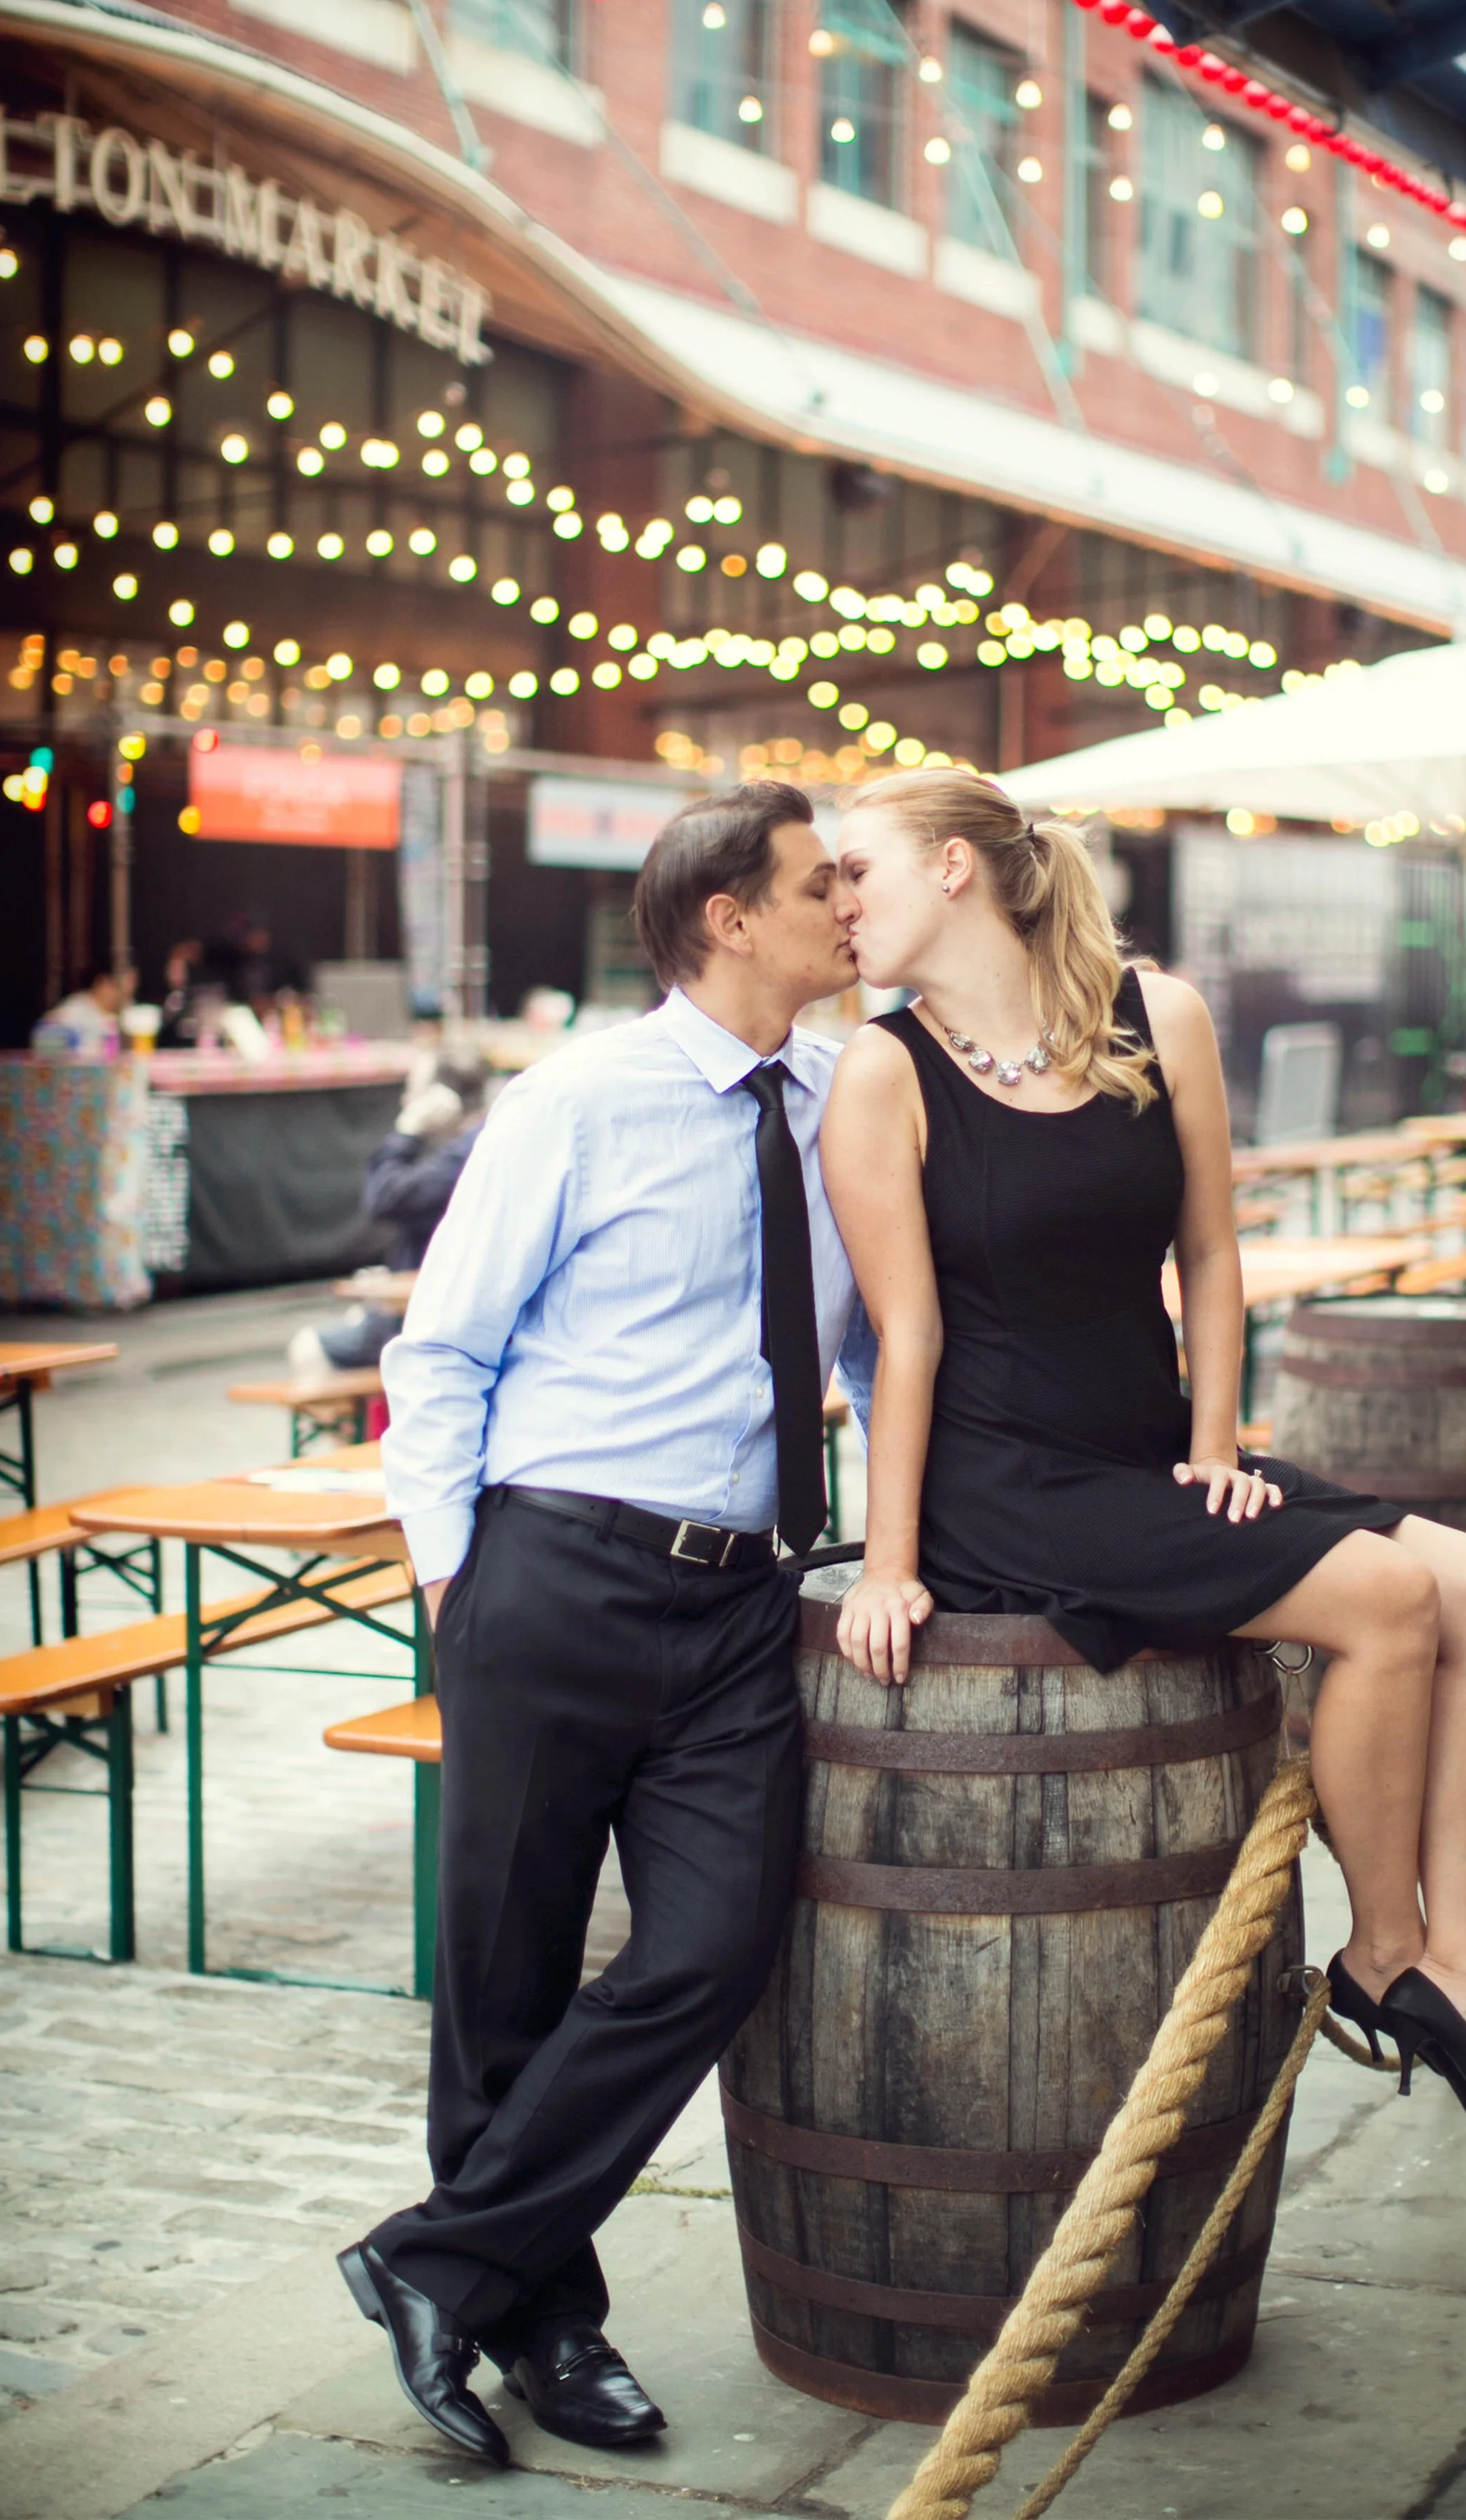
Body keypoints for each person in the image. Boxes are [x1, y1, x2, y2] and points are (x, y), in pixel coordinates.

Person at [821, 772, 1466, 2153]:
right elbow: (904, 1339)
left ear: (949, 870)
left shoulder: (1154, 1015)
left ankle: (1461, 1964)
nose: (835, 903)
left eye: (854, 871)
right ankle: (1385, 1952)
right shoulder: (885, 1070)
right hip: (1012, 1492)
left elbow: (1213, 1257)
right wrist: (885, 1562)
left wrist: (1217, 1444)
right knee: (1390, 1605)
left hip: (1149, 1455)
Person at [342, 785, 869, 2469]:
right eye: (816, 884)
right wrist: (456, 1581)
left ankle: (434, 2255)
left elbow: (874, 1345)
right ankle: (547, 2323)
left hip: (742, 1600)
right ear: (727, 915)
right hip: (552, 1571)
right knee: (501, 1977)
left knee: (711, 1947)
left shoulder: (849, 1102)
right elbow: (438, 1352)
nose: (846, 906)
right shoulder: (579, 1098)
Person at [288, 1056, 489, 1379]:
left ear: (442, 1100)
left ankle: (353, 1431)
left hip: (431, 1319)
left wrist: (407, 1130)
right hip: (434, 1305)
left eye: (413, 1092)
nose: (405, 1101)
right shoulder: (471, 1142)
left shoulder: (468, 1151)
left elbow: (384, 1197)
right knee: (358, 1318)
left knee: (308, 1347)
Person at [31, 962, 133, 1055]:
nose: (122, 998)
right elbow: (42, 1037)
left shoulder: (127, 1013)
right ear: (103, 984)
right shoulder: (76, 1008)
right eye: (120, 991)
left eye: (127, 993)